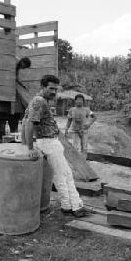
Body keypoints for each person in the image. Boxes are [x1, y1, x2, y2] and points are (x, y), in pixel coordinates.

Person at [23, 74, 93, 218]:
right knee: (65, 174)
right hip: (48, 142)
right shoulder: (39, 101)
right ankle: (77, 206)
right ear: (42, 87)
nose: (54, 92)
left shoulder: (39, 101)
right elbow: (29, 123)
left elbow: (25, 121)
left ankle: (67, 205)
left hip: (48, 141)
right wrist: (29, 147)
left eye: (56, 89)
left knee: (61, 175)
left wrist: (29, 144)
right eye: (51, 88)